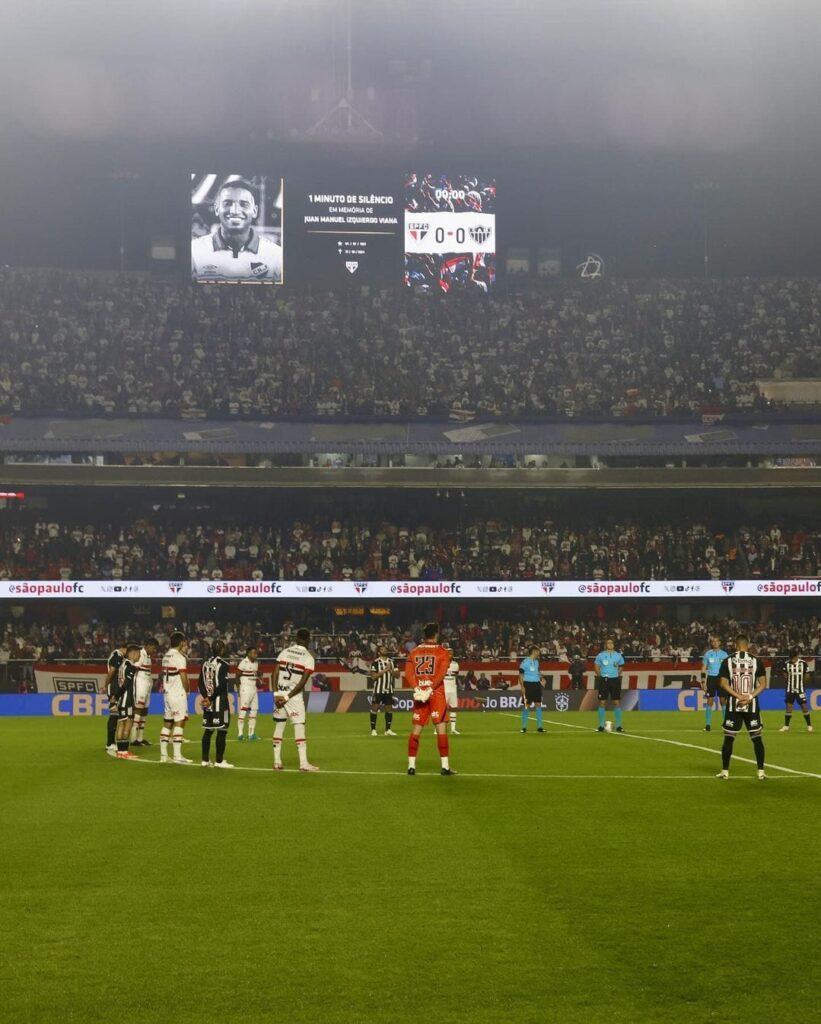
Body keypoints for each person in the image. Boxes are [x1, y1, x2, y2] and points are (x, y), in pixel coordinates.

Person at [191, 178, 282, 282]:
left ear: (254, 211)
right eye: (227, 203)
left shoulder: (275, 256)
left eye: (244, 204)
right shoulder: (194, 251)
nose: (235, 211)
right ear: (216, 209)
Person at [405, 622, 454, 776]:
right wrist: (430, 689)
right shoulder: (442, 651)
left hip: (420, 694)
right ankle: (445, 767)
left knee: (416, 729)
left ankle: (411, 766)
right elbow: (440, 674)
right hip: (436, 694)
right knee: (440, 729)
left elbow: (408, 674)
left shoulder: (413, 652)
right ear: (436, 634)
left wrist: (418, 689)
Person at [716, 635, 767, 779]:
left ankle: (725, 771)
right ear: (748, 645)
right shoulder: (756, 661)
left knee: (729, 738)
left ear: (735, 645)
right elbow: (763, 683)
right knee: (757, 738)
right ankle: (761, 772)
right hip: (752, 705)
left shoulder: (728, 661)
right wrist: (749, 697)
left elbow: (723, 683)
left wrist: (738, 697)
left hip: (734, 705)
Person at [271, 627, 319, 772]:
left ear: (296, 638)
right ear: (308, 640)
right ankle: (303, 764)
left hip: (279, 694)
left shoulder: (285, 652)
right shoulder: (308, 658)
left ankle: (276, 762)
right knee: (299, 725)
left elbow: (274, 673)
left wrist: (276, 694)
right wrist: (287, 697)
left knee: (279, 726)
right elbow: (303, 681)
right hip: (293, 697)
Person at [199, 639, 234, 768]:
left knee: (208, 730)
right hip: (220, 702)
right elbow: (222, 685)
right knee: (222, 730)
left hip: (208, 704)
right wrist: (212, 698)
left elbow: (200, 683)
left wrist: (206, 698)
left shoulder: (205, 664)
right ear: (222, 650)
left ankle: (204, 760)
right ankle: (219, 761)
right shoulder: (223, 664)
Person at [159, 633, 192, 765]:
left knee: (167, 723)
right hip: (177, 693)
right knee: (179, 722)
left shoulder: (166, 656)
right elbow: (183, 676)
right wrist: (187, 689)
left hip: (167, 693)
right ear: (181, 643)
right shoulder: (179, 657)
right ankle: (177, 755)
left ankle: (163, 755)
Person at [113, 644, 142, 760]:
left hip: (121, 700)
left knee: (121, 723)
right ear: (134, 653)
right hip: (127, 699)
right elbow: (126, 684)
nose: (139, 656)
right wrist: (117, 695)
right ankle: (124, 750)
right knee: (128, 723)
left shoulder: (122, 665)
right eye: (138, 654)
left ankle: (120, 751)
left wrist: (116, 697)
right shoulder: (130, 666)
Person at [130, 637, 159, 747]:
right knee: (138, 708)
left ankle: (140, 738)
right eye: (154, 648)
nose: (154, 651)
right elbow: (134, 668)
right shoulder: (141, 654)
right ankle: (133, 739)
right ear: (149, 646)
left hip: (146, 683)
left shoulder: (148, 656)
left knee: (144, 710)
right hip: (140, 683)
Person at [594, 638, 625, 732]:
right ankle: (600, 726)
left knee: (616, 702)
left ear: (614, 645)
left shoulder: (618, 655)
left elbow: (621, 666)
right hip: (604, 680)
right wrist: (601, 676)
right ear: (605, 645)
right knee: (602, 702)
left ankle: (619, 726)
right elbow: (596, 667)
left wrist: (617, 674)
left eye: (611, 643)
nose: (610, 644)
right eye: (608, 643)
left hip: (615, 680)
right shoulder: (601, 655)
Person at [779, 649, 813, 733]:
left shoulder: (803, 663)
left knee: (804, 706)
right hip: (790, 689)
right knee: (789, 706)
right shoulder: (786, 663)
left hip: (800, 689)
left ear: (797, 656)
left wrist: (801, 682)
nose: (792, 660)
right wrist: (787, 679)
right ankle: (786, 726)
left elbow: (807, 675)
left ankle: (809, 725)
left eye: (793, 658)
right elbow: (783, 672)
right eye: (791, 658)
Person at [368, 644, 399, 736]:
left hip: (389, 689)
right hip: (378, 689)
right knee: (375, 708)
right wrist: (385, 670)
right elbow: (373, 677)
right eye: (382, 649)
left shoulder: (393, 662)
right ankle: (373, 729)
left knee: (389, 709)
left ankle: (388, 730)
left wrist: (390, 670)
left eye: (385, 649)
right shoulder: (375, 662)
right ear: (378, 652)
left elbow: (397, 675)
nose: (384, 650)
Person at [701, 635, 729, 732]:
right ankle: (708, 724)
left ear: (720, 643)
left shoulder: (725, 654)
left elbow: (728, 668)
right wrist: (703, 681)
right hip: (711, 679)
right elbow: (704, 668)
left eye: (717, 641)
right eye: (713, 641)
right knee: (710, 701)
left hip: (721, 679)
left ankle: (726, 723)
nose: (715, 643)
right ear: (712, 643)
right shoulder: (707, 654)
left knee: (723, 701)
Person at [104, 642, 127, 755]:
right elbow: (112, 671)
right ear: (124, 648)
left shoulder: (118, 656)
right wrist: (105, 685)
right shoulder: (117, 656)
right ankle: (110, 743)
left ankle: (112, 742)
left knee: (116, 715)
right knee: (114, 715)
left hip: (116, 688)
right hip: (113, 688)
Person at [236, 644, 261, 742]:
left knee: (254, 710)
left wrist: (259, 680)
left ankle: (251, 734)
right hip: (245, 688)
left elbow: (254, 675)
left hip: (253, 689)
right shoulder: (243, 663)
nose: (255, 654)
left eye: (256, 653)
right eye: (253, 653)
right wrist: (238, 688)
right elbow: (237, 676)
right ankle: (240, 734)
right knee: (243, 710)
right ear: (248, 654)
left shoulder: (256, 663)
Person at [519, 645, 544, 733]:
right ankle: (524, 727)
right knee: (526, 706)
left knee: (538, 705)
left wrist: (541, 678)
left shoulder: (537, 662)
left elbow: (537, 672)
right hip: (528, 685)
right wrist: (522, 687)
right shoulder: (524, 662)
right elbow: (521, 675)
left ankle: (540, 727)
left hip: (537, 685)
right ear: (534, 651)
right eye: (538, 651)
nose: (539, 653)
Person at [443, 644, 461, 735]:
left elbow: (456, 675)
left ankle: (453, 729)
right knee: (442, 709)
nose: (450, 654)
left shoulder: (456, 664)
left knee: (453, 708)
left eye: (452, 653)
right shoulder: (441, 663)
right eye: (449, 653)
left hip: (453, 688)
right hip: (444, 688)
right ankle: (437, 728)